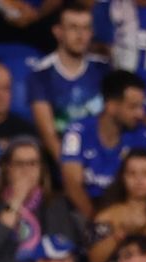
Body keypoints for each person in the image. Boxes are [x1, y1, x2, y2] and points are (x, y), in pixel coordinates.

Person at [0, 138, 79, 262]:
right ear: (7, 168)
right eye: (20, 164)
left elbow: (63, 246)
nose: (26, 170)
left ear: (41, 169)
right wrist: (15, 203)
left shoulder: (55, 203)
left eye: (33, 163)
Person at [59, 69, 146, 220]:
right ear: (111, 106)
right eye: (133, 107)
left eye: (141, 106)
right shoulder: (77, 132)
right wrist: (98, 223)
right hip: (85, 209)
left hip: (123, 210)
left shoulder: (141, 134)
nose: (141, 114)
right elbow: (72, 184)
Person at [27, 3, 110, 162]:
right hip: (62, 163)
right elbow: (49, 135)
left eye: (86, 28)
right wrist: (71, 170)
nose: (80, 35)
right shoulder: (41, 74)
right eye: (73, 27)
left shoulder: (104, 69)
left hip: (100, 160)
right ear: (58, 32)